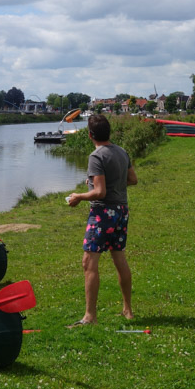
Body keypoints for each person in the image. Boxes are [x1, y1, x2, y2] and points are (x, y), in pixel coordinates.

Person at [66, 114, 139, 327]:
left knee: (89, 262)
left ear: (90, 135)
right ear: (109, 132)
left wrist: (78, 197)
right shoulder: (121, 151)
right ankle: (127, 310)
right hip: (121, 211)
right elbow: (133, 179)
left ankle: (90, 317)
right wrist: (116, 181)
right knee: (119, 258)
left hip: (102, 213)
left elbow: (99, 191)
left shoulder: (96, 156)